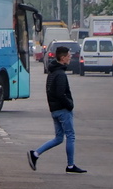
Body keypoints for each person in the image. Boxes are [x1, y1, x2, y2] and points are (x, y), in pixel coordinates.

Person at [29, 44, 86, 173]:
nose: (70, 58)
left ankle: (36, 154)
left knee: (59, 138)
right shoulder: (60, 74)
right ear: (63, 58)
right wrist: (69, 104)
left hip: (54, 109)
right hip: (62, 110)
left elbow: (50, 91)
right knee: (70, 136)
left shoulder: (52, 72)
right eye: (68, 56)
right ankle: (70, 165)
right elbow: (61, 93)